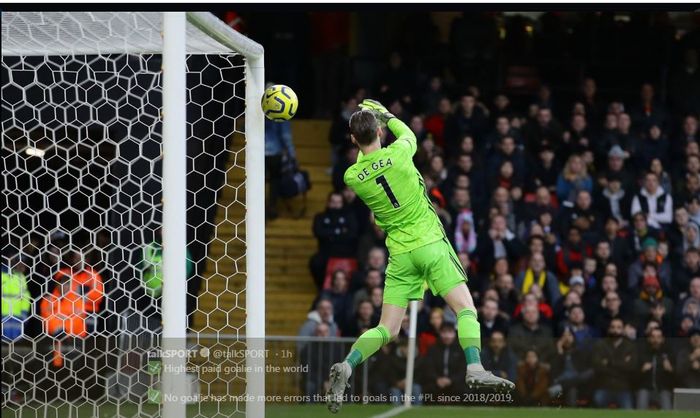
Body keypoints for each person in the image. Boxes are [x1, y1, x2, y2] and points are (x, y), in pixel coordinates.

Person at [325, 100, 514, 413]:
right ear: (380, 131)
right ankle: (475, 367)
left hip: (400, 255)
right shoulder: (400, 152)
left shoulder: (352, 177)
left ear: (353, 140)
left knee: (387, 329)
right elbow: (408, 133)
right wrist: (386, 115)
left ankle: (347, 365)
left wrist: (364, 131)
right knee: (466, 309)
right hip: (430, 245)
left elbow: (366, 153)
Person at [592, 318, 637, 409]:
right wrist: (622, 363)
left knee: (628, 410)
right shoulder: (600, 344)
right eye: (613, 327)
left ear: (623, 330)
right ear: (609, 329)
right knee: (597, 401)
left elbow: (632, 367)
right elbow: (597, 366)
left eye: (618, 327)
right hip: (604, 385)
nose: (615, 330)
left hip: (623, 387)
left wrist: (608, 362)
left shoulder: (630, 346)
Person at [420, 322, 468, 403]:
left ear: (454, 333)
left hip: (455, 383)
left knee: (463, 389)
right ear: (440, 333)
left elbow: (463, 370)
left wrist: (451, 380)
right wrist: (437, 379)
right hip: (436, 382)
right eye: (444, 332)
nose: (447, 335)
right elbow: (428, 368)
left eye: (450, 332)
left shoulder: (461, 350)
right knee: (428, 388)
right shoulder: (433, 349)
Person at [264, 114, 296, 219]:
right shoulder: (282, 114)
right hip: (274, 153)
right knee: (274, 180)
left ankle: (258, 208)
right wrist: (292, 155)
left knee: (259, 181)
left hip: (258, 153)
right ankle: (271, 207)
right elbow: (285, 136)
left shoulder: (258, 113)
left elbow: (244, 128)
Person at [636, 328, 673, 410]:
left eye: (658, 337)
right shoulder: (642, 354)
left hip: (663, 389)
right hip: (645, 388)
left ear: (663, 339)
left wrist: (670, 370)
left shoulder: (669, 354)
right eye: (653, 337)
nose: (656, 340)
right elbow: (633, 377)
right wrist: (642, 370)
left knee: (668, 411)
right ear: (649, 339)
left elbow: (676, 379)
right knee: (640, 410)